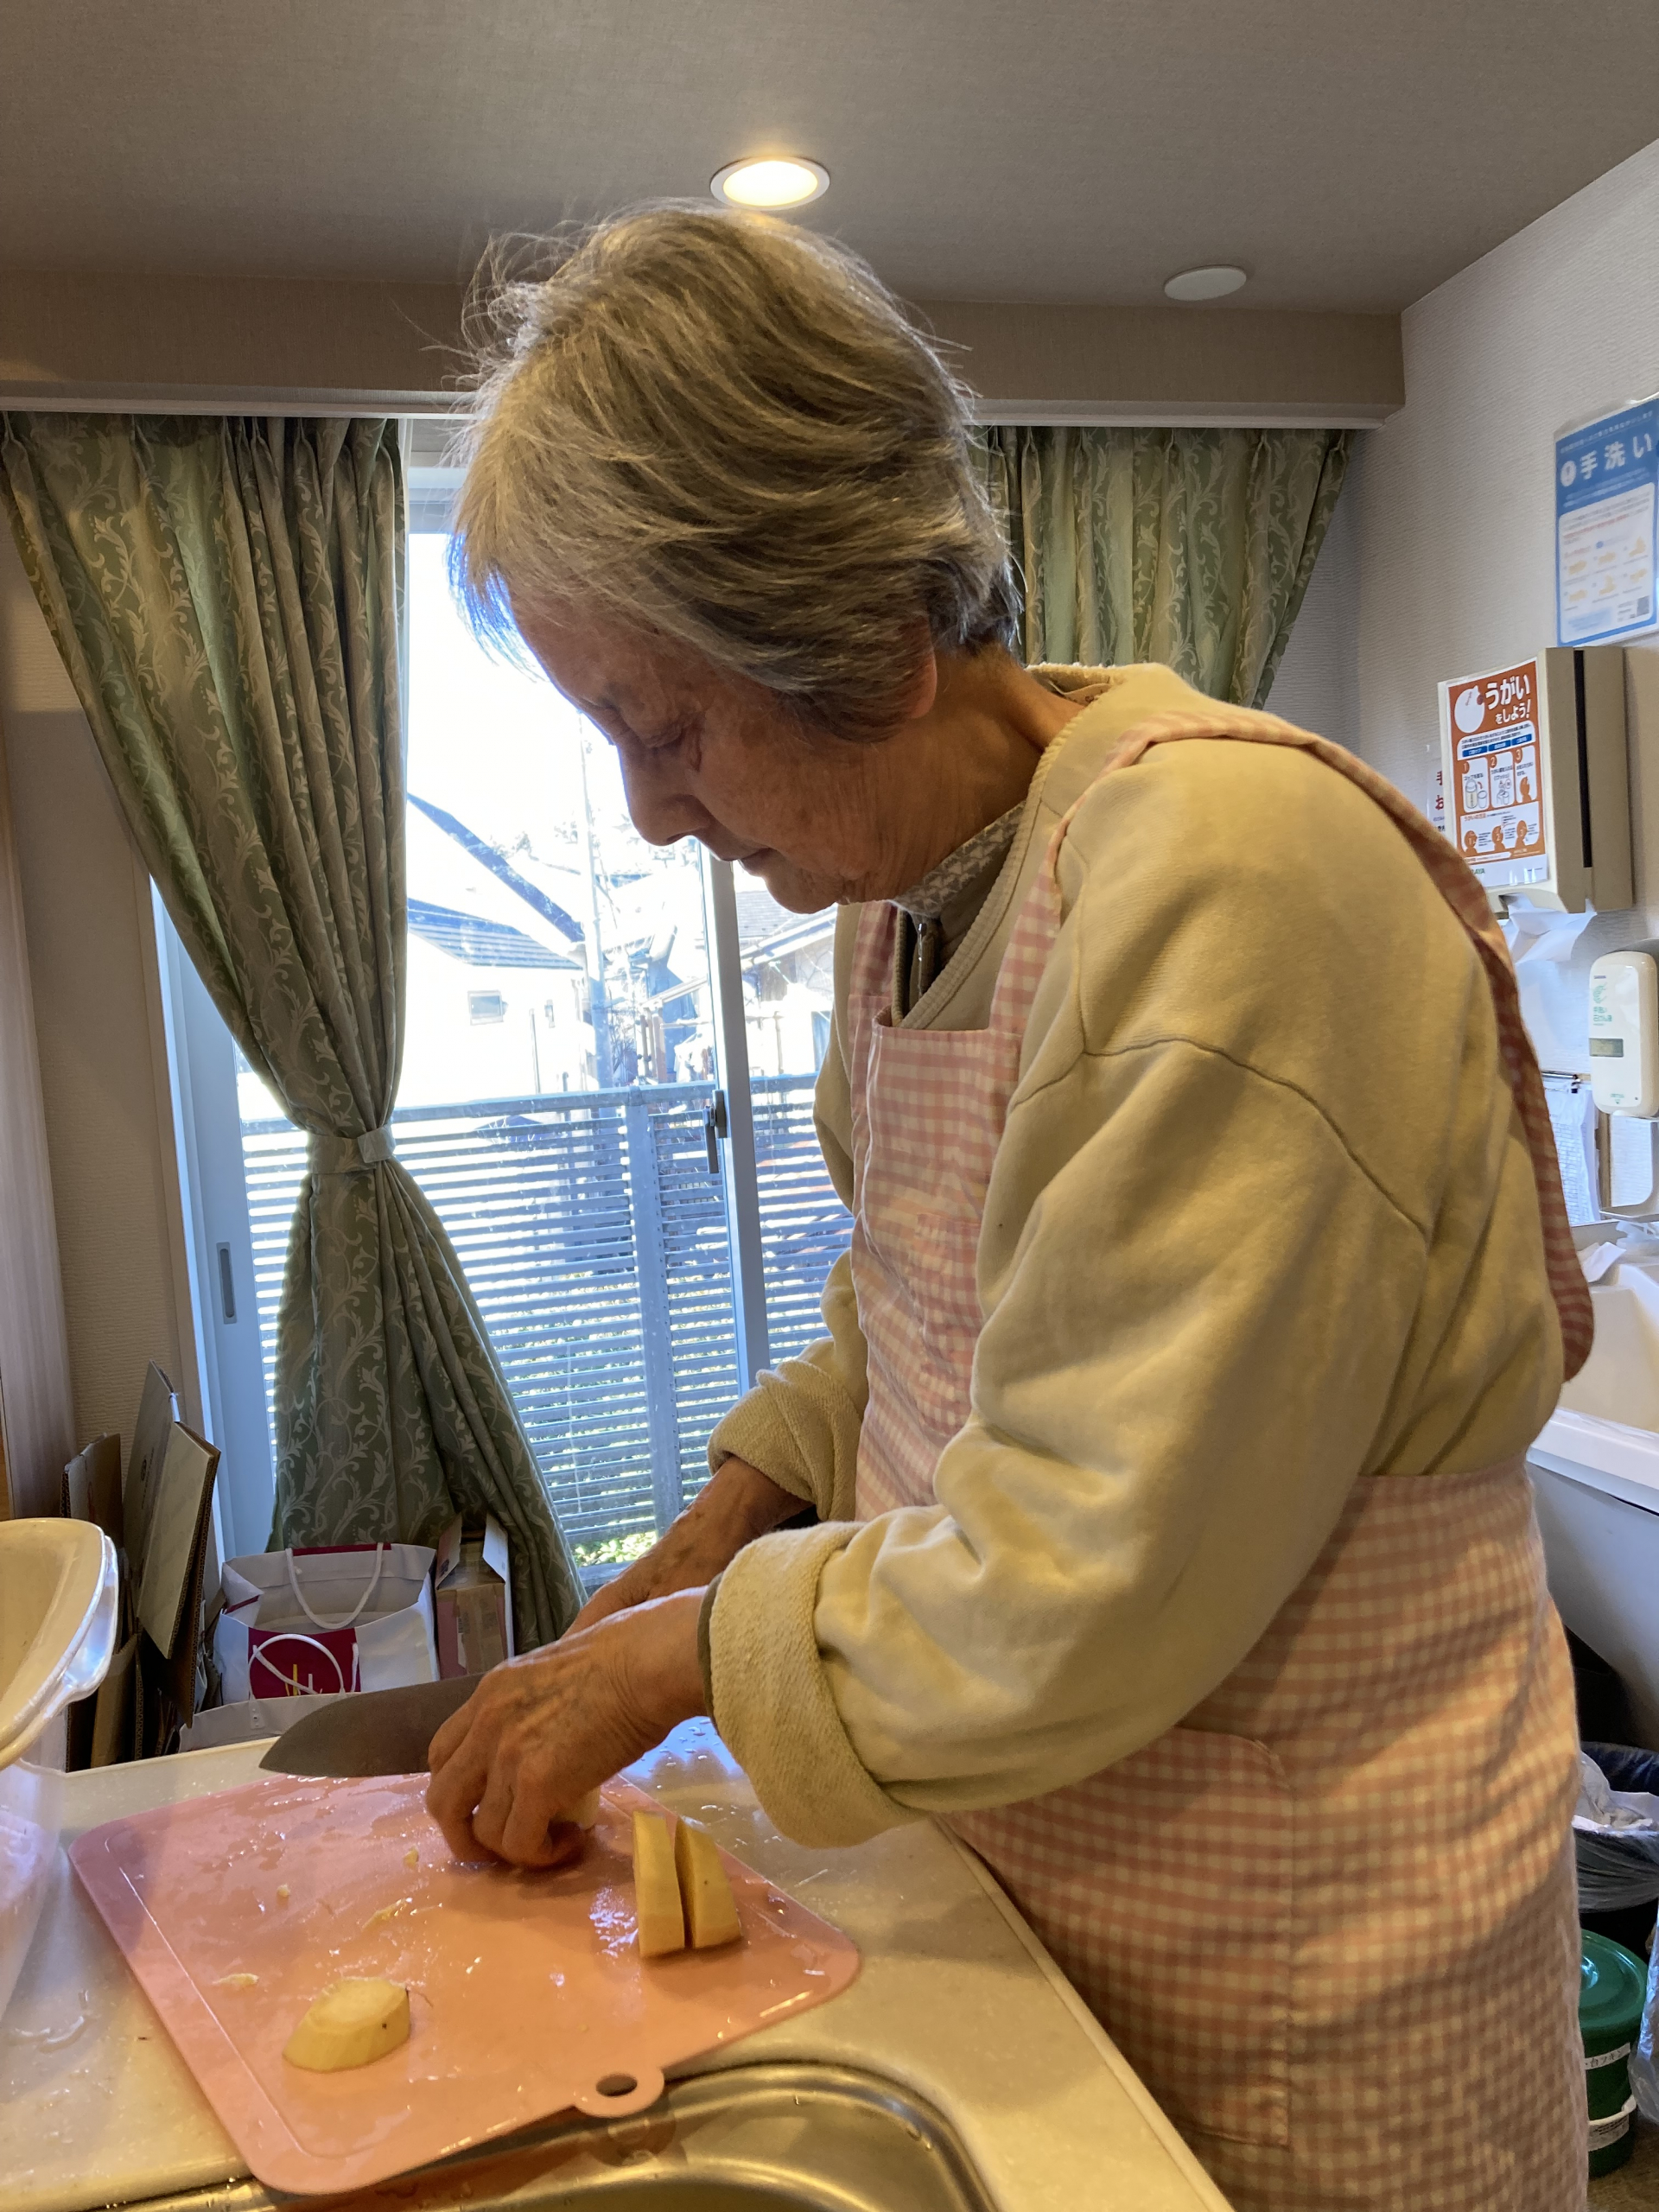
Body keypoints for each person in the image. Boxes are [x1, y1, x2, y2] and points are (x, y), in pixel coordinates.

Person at [425, 207, 1587, 2211]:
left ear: (873, 635)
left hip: (1306, 1983)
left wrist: (681, 1659)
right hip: (1047, 1913)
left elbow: (1085, 1567)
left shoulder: (1226, 876)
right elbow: (915, 1308)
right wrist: (723, 1520)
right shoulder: (909, 910)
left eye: (668, 727)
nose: (650, 813)